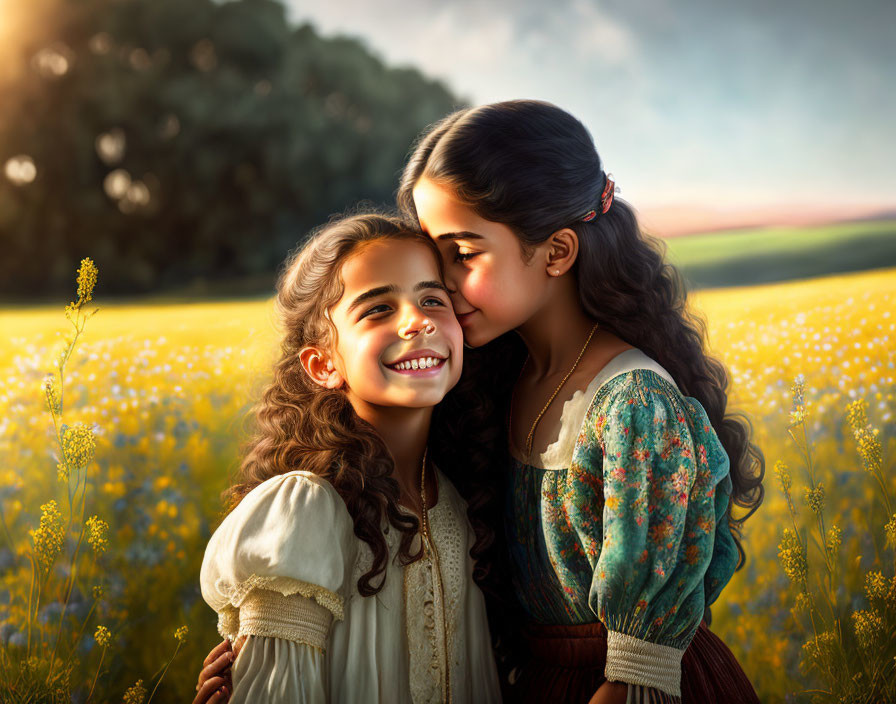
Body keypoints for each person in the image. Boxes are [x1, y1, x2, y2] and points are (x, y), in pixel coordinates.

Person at [197, 99, 765, 703]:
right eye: (436, 257)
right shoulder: (494, 381)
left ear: (556, 252)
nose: (439, 290)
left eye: (461, 256)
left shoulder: (633, 406)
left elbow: (638, 668)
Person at [196, 213, 502, 703]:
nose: (418, 319)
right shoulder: (305, 511)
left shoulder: (463, 501)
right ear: (323, 364)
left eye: (432, 299)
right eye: (379, 309)